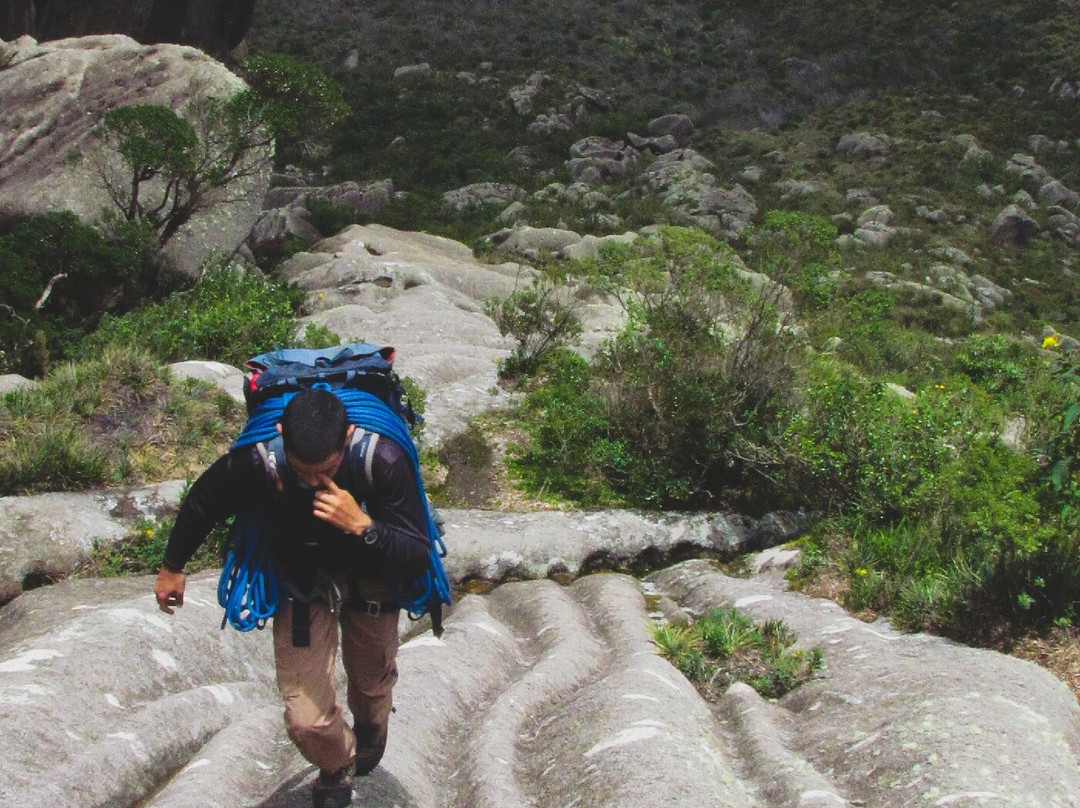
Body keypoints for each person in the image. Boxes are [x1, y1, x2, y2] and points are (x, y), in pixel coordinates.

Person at [154, 388, 431, 808]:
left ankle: (372, 728)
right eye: (303, 472)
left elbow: (416, 553)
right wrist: (173, 566)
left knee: (372, 688)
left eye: (327, 470)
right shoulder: (259, 461)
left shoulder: (382, 459)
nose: (315, 482)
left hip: (372, 576)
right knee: (306, 721)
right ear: (282, 434)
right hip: (302, 579)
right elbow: (204, 501)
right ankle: (338, 762)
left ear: (348, 436)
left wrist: (363, 524)